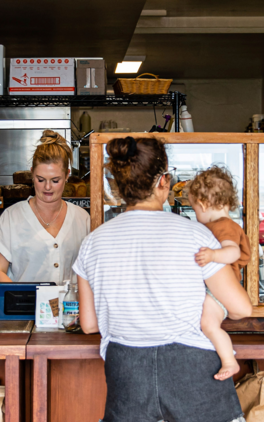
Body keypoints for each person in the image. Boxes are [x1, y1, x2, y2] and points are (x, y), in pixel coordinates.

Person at [74, 136, 251, 422]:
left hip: (127, 377)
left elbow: (90, 324)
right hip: (193, 374)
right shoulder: (194, 235)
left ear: (118, 186)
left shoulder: (92, 243)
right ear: (163, 182)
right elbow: (241, 309)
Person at [0, 130, 90, 283]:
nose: (47, 187)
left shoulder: (82, 219)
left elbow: (91, 271)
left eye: (55, 180)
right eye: (40, 180)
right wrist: (22, 299)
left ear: (67, 175)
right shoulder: (12, 217)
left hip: (71, 306)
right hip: (25, 306)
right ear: (32, 174)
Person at [187, 165, 251, 381]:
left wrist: (214, 256)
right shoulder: (221, 224)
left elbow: (232, 252)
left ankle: (229, 361)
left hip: (219, 293)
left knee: (208, 324)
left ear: (204, 204)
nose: (196, 216)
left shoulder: (224, 226)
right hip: (215, 290)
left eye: (195, 209)